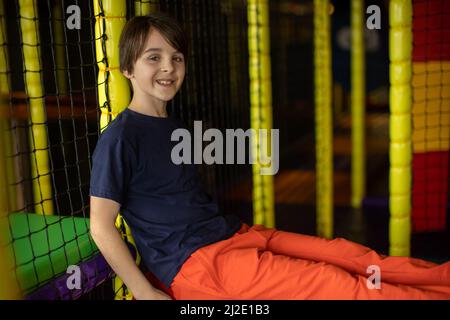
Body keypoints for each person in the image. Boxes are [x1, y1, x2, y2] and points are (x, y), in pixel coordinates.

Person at [89, 13, 450, 300]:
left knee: (353, 258)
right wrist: (144, 291)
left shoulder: (175, 127)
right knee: (339, 285)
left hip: (234, 235)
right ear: (128, 69)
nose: (168, 67)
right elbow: (101, 225)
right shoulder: (120, 138)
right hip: (200, 265)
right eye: (154, 58)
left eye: (176, 57)